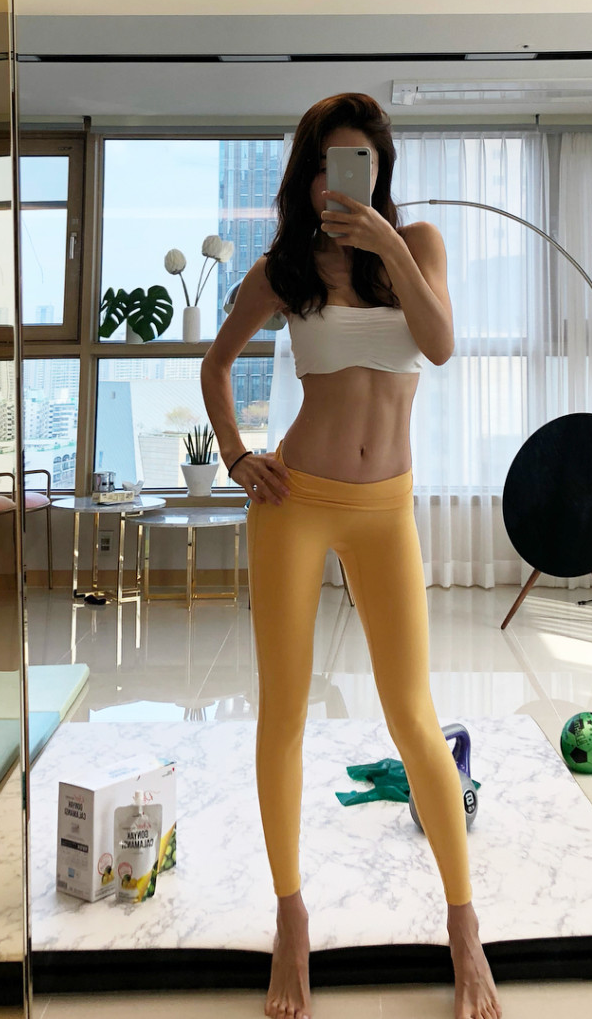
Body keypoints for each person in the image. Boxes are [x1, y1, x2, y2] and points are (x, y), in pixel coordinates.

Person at [201, 92, 503, 1019]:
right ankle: (291, 915)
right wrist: (237, 456)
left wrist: (386, 246)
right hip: (294, 505)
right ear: (309, 176)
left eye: (362, 162)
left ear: (380, 169)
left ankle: (463, 925)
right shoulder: (285, 268)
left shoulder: (418, 245)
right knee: (284, 713)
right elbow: (216, 365)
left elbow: (441, 345)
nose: (346, 180)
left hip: (385, 511)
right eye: (332, 164)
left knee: (413, 715)